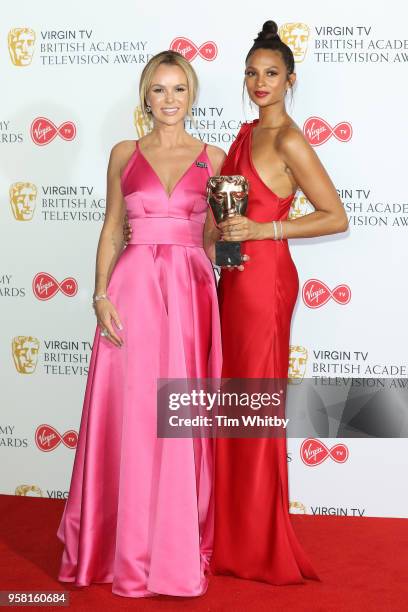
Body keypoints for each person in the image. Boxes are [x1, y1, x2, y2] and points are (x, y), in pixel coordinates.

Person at [56, 50, 225, 598]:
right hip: (131, 290)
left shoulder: (215, 159)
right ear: (145, 96)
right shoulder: (123, 153)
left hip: (189, 293)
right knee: (129, 413)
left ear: (192, 94)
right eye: (159, 89)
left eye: (179, 89)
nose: (169, 100)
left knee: (177, 415)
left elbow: (214, 237)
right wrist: (100, 294)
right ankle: (117, 546)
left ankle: (175, 545)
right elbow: (111, 228)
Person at [207, 20, 348, 584]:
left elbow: (335, 214)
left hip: (265, 284)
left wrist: (265, 232)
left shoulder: (289, 138)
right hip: (232, 279)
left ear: (291, 79)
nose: (259, 82)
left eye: (270, 74)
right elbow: (226, 218)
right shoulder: (243, 135)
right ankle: (226, 530)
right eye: (251, 73)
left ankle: (257, 542)